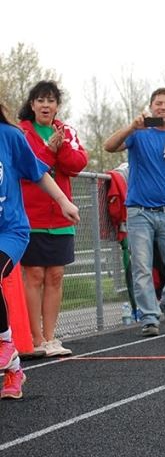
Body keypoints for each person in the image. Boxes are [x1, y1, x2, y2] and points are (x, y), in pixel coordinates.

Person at [0, 105, 80, 399]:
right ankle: (13, 368)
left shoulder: (10, 136)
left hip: (10, 231)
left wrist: (63, 202)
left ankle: (5, 346)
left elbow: (38, 173)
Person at [104, 88, 165, 336]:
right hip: (139, 212)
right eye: (158, 103)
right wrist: (131, 127)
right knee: (142, 266)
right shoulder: (138, 134)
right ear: (151, 107)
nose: (162, 107)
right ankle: (149, 317)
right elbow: (109, 146)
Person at [18, 81, 88, 357]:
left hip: (61, 215)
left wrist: (60, 148)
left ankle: (50, 337)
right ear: (32, 104)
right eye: (40, 100)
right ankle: (34, 337)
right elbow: (28, 168)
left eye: (51, 101)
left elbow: (77, 164)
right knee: (34, 274)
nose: (46, 105)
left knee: (56, 275)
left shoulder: (66, 131)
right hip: (31, 214)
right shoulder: (21, 132)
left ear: (58, 105)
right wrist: (48, 150)